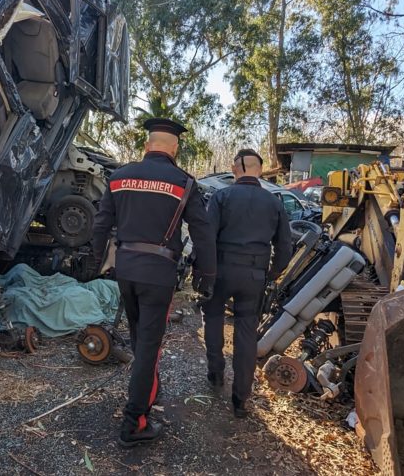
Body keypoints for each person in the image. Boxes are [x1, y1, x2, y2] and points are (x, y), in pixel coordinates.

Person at [92, 117, 216, 447]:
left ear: (147, 146)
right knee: (148, 346)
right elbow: (203, 233)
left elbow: (101, 223)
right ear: (175, 149)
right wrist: (208, 274)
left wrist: (93, 263)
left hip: (126, 271)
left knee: (139, 337)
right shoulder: (183, 182)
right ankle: (135, 423)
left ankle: (147, 384)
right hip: (158, 275)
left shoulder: (118, 177)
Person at [201, 148, 293, 418]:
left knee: (214, 316)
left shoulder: (222, 196)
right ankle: (241, 398)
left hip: (221, 269)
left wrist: (203, 271)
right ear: (259, 170)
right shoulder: (274, 202)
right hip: (254, 273)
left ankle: (215, 372)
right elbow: (285, 247)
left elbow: (206, 237)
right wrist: (272, 273)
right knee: (245, 331)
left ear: (235, 168)